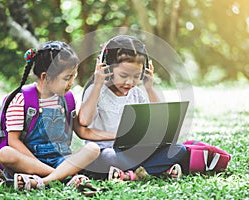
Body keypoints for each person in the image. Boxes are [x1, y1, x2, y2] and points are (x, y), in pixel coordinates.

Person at [0, 41, 115, 190]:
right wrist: (37, 165)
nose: (71, 82)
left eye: (74, 76)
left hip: (62, 160)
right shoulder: (21, 99)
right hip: (30, 161)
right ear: (46, 77)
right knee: (5, 153)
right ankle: (63, 177)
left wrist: (116, 135)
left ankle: (42, 181)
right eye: (67, 78)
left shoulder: (67, 98)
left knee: (92, 149)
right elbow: (13, 141)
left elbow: (82, 131)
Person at [79, 35, 187, 180]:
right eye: (123, 75)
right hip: (106, 152)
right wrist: (98, 83)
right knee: (108, 158)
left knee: (178, 149)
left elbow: (160, 119)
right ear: (107, 68)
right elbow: (84, 120)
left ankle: (130, 174)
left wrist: (150, 88)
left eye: (136, 76)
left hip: (132, 151)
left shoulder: (136, 93)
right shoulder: (95, 91)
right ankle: (151, 169)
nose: (129, 82)